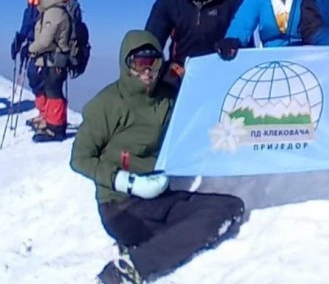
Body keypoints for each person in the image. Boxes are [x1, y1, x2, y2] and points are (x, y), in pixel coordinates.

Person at [70, 30, 244, 284]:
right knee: (184, 233)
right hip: (120, 207)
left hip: (160, 198)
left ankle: (155, 246)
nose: (147, 70)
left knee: (229, 207)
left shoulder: (165, 99)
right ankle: (131, 268)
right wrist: (127, 182)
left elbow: (191, 125)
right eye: (139, 62)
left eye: (153, 62)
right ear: (126, 64)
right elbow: (79, 158)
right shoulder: (107, 104)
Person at [27, 0, 70, 142]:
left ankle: (56, 128)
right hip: (51, 60)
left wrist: (31, 49)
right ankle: (51, 123)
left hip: (55, 61)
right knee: (50, 90)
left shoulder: (54, 13)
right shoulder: (51, 11)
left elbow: (45, 40)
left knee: (54, 92)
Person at [10, 0, 52, 129]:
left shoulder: (52, 1)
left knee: (46, 80)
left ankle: (50, 117)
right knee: (35, 78)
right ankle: (43, 113)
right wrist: (20, 38)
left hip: (46, 47)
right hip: (33, 44)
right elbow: (28, 22)